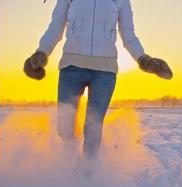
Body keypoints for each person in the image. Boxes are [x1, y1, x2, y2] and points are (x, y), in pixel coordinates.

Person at [24, 0, 172, 160]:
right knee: (64, 126)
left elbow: (128, 35)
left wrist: (144, 59)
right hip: (71, 68)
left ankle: (89, 174)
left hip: (104, 72)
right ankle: (68, 165)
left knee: (93, 128)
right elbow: (56, 26)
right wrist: (41, 52)